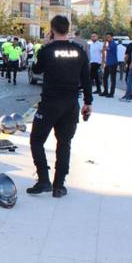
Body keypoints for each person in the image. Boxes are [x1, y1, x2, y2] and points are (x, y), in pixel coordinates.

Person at [27, 15, 92, 198]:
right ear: (68, 29)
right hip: (70, 104)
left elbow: (37, 70)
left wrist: (45, 45)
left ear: (52, 29)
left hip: (49, 104)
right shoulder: (79, 51)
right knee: (64, 143)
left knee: (37, 140)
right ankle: (59, 186)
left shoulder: (47, 51)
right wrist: (88, 103)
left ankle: (43, 180)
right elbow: (86, 80)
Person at [101, 33, 118, 98]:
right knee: (105, 77)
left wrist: (105, 42)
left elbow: (104, 49)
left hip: (113, 63)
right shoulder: (109, 43)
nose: (107, 38)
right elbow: (103, 51)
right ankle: (105, 91)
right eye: (106, 37)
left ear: (112, 37)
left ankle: (111, 93)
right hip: (108, 63)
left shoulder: (113, 44)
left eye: (108, 37)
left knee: (112, 79)